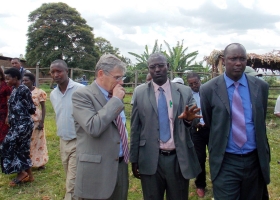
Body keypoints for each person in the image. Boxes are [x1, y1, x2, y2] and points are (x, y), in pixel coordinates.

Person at [200, 43, 270, 200]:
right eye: (233, 58)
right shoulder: (209, 89)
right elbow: (211, 123)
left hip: (254, 160)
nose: (238, 63)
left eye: (242, 59)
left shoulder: (261, 87)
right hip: (226, 161)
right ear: (224, 61)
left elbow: (260, 119)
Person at [130, 53, 202, 200]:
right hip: (150, 158)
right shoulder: (140, 92)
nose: (157, 69)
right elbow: (135, 128)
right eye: (152, 67)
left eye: (161, 65)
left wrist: (189, 120)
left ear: (167, 67)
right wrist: (134, 158)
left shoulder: (184, 91)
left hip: (178, 158)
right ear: (148, 69)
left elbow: (194, 120)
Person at [72, 54, 128, 200]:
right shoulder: (82, 95)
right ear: (101, 74)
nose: (120, 82)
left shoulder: (115, 96)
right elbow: (93, 127)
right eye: (117, 77)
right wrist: (115, 100)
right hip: (96, 171)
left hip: (119, 165)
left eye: (122, 78)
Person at [50, 59, 84, 200]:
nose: (56, 74)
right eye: (53, 72)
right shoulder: (53, 94)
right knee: (70, 176)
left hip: (79, 140)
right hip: (63, 141)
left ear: (67, 71)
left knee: (72, 181)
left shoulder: (81, 90)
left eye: (59, 71)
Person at [1, 68, 36, 186]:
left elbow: (31, 108)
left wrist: (20, 113)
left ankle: (21, 173)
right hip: (16, 124)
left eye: (8, 78)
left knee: (7, 145)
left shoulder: (23, 89)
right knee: (23, 149)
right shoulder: (14, 89)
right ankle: (29, 175)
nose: (6, 81)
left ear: (15, 78)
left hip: (23, 124)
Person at [186, 72, 210, 198]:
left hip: (210, 129)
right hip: (196, 130)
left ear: (200, 81)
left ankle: (218, 182)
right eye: (191, 84)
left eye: (196, 83)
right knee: (199, 158)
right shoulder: (187, 95)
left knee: (216, 156)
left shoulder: (208, 91)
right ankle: (200, 185)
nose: (194, 85)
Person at [22, 73, 49, 170]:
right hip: (25, 121)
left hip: (36, 121)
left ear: (32, 81)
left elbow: (43, 107)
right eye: (23, 80)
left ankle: (40, 163)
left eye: (26, 80)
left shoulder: (39, 92)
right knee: (27, 143)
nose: (24, 82)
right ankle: (29, 162)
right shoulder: (22, 91)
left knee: (39, 143)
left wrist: (42, 122)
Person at [0, 67, 12, 144]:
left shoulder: (6, 84)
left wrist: (8, 115)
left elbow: (10, 101)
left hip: (4, 113)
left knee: (3, 135)